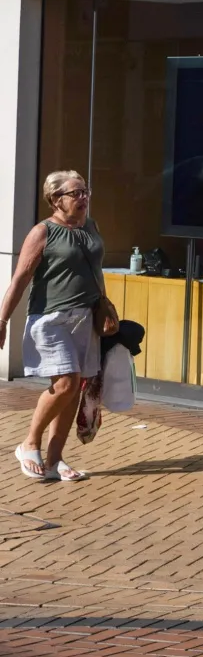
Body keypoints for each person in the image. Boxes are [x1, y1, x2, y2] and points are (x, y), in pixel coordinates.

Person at [2, 171, 115, 483]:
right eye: (75, 193)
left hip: (85, 317)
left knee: (74, 387)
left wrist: (104, 306)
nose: (83, 197)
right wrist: (2, 320)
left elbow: (95, 269)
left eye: (85, 191)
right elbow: (20, 278)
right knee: (66, 383)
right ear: (56, 199)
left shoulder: (90, 226)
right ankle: (29, 443)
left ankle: (54, 460)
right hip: (51, 319)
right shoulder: (43, 232)